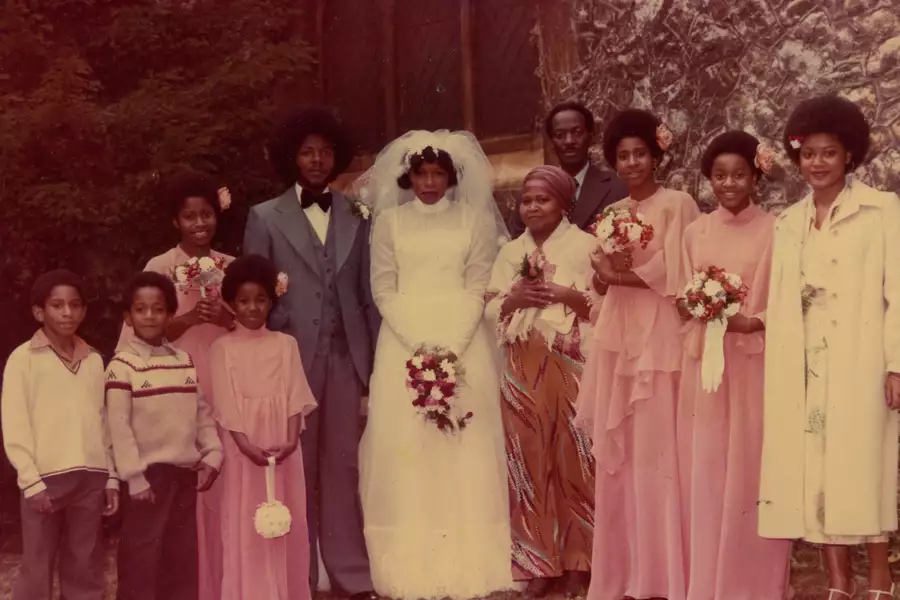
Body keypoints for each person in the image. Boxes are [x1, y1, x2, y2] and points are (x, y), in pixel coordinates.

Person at [357, 130, 513, 599]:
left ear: (450, 177)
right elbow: (383, 289)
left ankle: (472, 560)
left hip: (463, 342)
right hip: (404, 342)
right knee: (408, 445)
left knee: (465, 443)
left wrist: (453, 342)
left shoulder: (472, 221)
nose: (429, 182)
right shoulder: (389, 224)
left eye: (438, 174)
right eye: (422, 174)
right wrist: (420, 342)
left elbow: (477, 285)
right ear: (409, 176)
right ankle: (412, 563)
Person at [759, 94, 900, 600]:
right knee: (815, 467)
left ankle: (881, 577)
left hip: (859, 359)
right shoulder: (788, 223)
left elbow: (898, 291)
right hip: (806, 366)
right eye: (808, 154)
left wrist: (896, 364)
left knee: (866, 464)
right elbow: (780, 300)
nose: (817, 163)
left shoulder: (881, 211)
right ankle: (839, 582)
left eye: (828, 153)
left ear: (849, 157)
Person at [243, 108, 379, 600]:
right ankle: (296, 576)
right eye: (306, 151)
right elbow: (254, 293)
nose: (317, 159)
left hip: (345, 359)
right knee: (295, 467)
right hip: (289, 362)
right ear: (292, 157)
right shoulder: (264, 216)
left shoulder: (356, 213)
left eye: (324, 151)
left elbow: (367, 294)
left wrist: (372, 364)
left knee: (343, 466)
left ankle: (349, 574)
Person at [574, 109, 699, 600]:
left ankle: (667, 574)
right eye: (623, 156)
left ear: (656, 154)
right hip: (620, 335)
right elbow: (599, 283)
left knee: (659, 448)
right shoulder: (612, 212)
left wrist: (621, 275)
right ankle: (626, 573)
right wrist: (602, 273)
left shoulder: (678, 204)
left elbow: (679, 274)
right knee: (622, 453)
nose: (631, 163)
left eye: (640, 154)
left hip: (661, 338)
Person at [676, 131, 790, 600]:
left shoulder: (776, 230)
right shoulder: (694, 232)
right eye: (719, 175)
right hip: (705, 364)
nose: (729, 183)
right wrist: (700, 305)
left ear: (755, 177)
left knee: (750, 466)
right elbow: (680, 302)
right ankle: (708, 582)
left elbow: (785, 299)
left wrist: (750, 321)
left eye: (739, 174)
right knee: (706, 466)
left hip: (752, 363)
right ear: (708, 180)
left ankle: (755, 581)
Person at [116, 168, 235, 600]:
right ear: (176, 221)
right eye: (190, 216)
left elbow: (251, 325)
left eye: (206, 215)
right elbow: (136, 340)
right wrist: (183, 321)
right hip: (175, 383)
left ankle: (220, 578)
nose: (199, 224)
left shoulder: (229, 267)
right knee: (175, 497)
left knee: (220, 471)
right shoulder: (160, 267)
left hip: (222, 375)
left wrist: (227, 318)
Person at [485, 166, 596, 598]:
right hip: (521, 361)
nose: (533, 207)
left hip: (571, 361)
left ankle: (580, 564)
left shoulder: (586, 246)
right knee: (527, 457)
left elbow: (602, 305)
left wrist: (566, 295)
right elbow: (491, 306)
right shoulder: (509, 251)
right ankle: (537, 562)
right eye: (527, 200)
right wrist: (514, 299)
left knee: (575, 457)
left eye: (543, 199)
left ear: (564, 203)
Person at [1, 269, 119, 600]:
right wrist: (29, 479)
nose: (67, 313)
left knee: (85, 566)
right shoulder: (23, 359)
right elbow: (15, 422)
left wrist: (110, 478)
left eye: (75, 305)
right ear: (40, 312)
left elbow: (103, 423)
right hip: (44, 479)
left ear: (83, 310)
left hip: (90, 479)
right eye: (57, 305)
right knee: (37, 567)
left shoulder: (94, 360)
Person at [207, 254, 318, 600]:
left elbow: (294, 395)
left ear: (272, 301)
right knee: (245, 521)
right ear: (231, 303)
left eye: (260, 300)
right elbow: (224, 403)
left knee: (284, 519)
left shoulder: (286, 345)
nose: (252, 308)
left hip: (282, 446)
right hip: (243, 447)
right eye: (243, 301)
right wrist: (244, 445)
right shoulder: (221, 347)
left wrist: (288, 441)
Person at [106, 271, 223, 600]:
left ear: (170, 314)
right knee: (142, 559)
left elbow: (201, 412)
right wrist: (134, 476)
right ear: (128, 317)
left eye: (158, 309)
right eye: (140, 309)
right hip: (146, 479)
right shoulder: (122, 365)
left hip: (183, 476)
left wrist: (213, 453)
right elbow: (118, 425)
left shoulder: (182, 360)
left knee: (181, 557)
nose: (149, 316)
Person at [509, 101, 627, 238]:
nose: (569, 141)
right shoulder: (531, 193)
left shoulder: (617, 187)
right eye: (560, 135)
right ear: (551, 143)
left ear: (591, 137)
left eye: (577, 133)